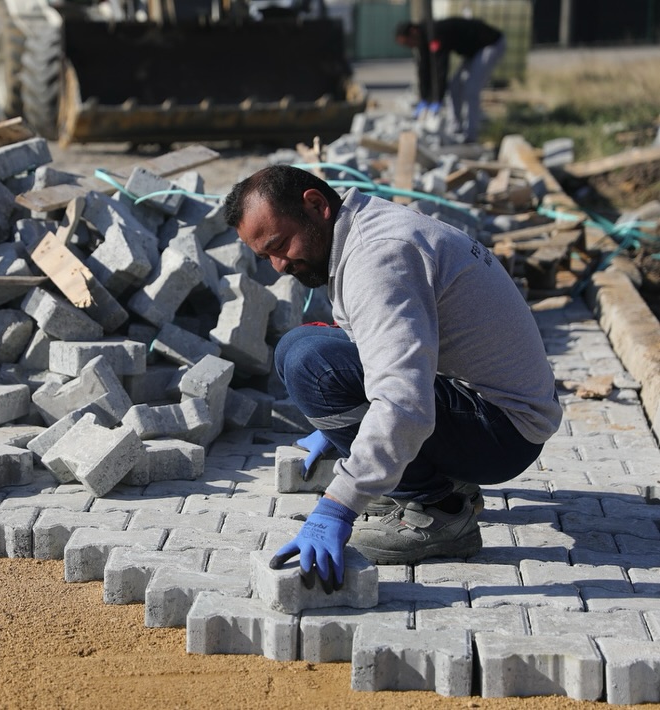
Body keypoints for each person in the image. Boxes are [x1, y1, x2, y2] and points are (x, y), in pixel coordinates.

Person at [223, 165, 561, 592]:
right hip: (490, 406)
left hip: (504, 432)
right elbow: (381, 352)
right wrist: (343, 430)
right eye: (265, 256)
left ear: (316, 205)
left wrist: (338, 507)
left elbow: (405, 403)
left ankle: (439, 509)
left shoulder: (377, 256)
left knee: (310, 361)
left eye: (279, 245)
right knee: (306, 344)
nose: (278, 265)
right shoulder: (362, 226)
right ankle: (419, 476)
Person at [395, 17, 506, 143]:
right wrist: (425, 98)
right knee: (454, 87)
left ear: (413, 32)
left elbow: (440, 68)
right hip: (473, 52)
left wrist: (438, 99)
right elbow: (424, 69)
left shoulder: (435, 33)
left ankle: (471, 135)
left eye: (407, 43)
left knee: (471, 89)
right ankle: (455, 129)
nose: (409, 46)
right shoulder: (423, 39)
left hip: (490, 44)